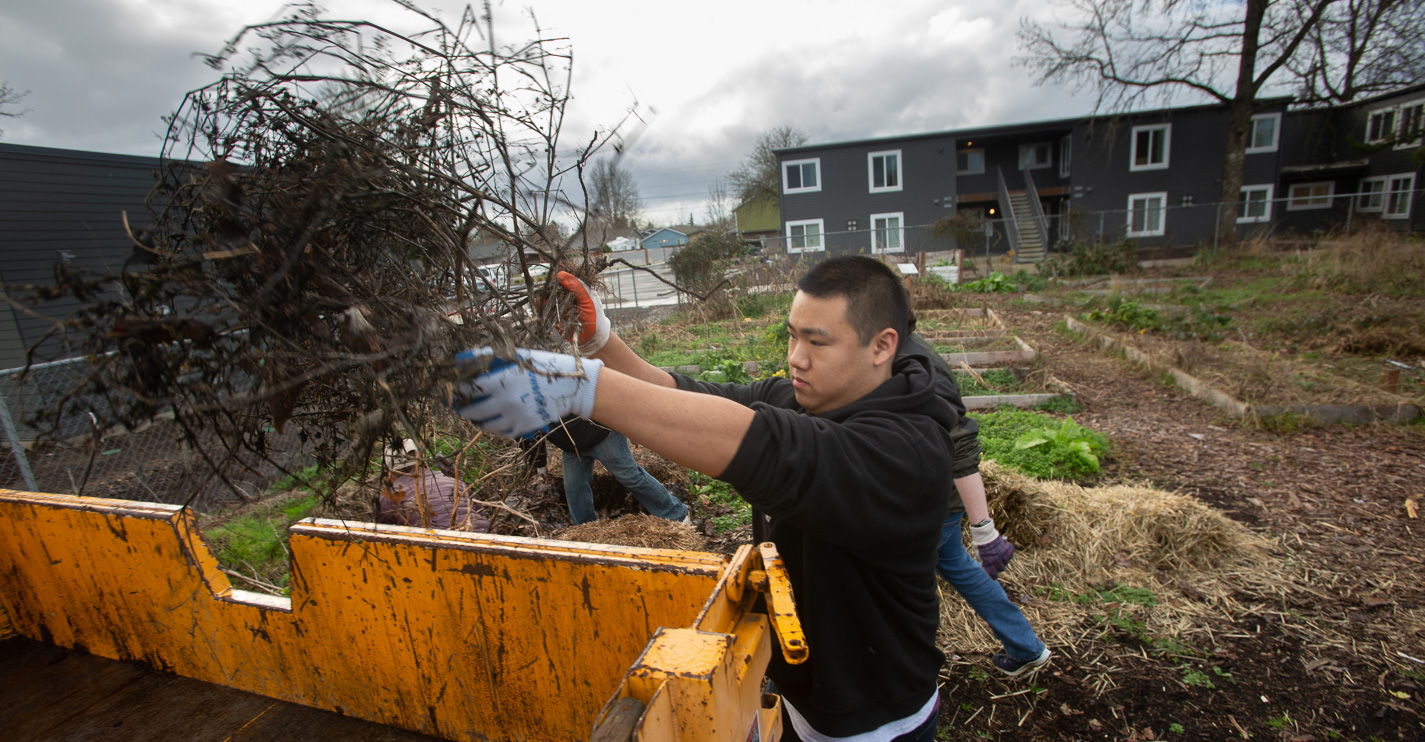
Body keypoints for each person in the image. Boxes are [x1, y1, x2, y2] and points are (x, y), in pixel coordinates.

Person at [452, 256, 957, 741]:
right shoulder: (817, 396)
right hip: (810, 694)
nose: (795, 357)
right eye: (792, 334)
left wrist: (584, 391)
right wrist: (601, 342)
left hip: (875, 720)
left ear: (882, 346)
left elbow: (769, 447)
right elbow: (694, 396)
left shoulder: (907, 453)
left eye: (817, 342)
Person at [908, 334, 1052, 677]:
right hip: (939, 497)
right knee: (955, 564)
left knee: (901, 579)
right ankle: (1026, 647)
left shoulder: (911, 364)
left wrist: (984, 528)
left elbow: (959, 440)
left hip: (931, 500)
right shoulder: (907, 349)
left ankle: (907, 667)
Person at [544, 415, 689, 525]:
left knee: (631, 477)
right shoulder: (523, 399)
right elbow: (526, 431)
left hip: (602, 434)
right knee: (574, 488)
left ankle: (677, 514)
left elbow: (605, 392)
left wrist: (630, 427)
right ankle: (584, 527)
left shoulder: (555, 378)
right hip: (571, 447)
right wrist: (539, 463)